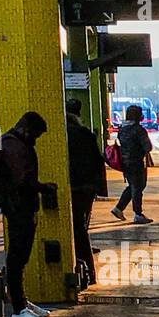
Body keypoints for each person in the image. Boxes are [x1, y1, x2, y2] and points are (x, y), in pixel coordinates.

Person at [0, 111, 57, 317]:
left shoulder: (12, 143)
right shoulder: (15, 147)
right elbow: (22, 181)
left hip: (19, 206)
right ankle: (19, 309)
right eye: (36, 134)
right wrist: (44, 187)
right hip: (18, 208)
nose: (36, 138)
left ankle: (22, 301)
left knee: (21, 257)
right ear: (27, 128)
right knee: (17, 257)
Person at [66, 98, 107, 287]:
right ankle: (89, 271)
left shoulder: (62, 138)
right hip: (87, 189)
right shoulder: (86, 135)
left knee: (77, 229)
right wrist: (99, 187)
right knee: (82, 227)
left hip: (70, 188)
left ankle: (85, 270)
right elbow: (99, 162)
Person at [110, 103, 153, 224]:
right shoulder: (139, 130)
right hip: (137, 163)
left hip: (125, 163)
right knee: (138, 187)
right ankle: (138, 214)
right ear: (139, 117)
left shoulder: (122, 130)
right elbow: (148, 147)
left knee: (133, 186)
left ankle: (119, 208)